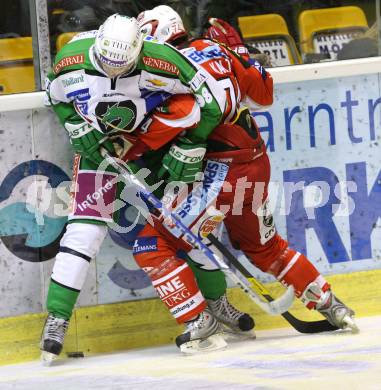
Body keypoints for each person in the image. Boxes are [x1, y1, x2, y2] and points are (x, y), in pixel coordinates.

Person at [132, 4, 358, 348]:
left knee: (151, 244)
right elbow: (264, 95)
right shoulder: (218, 49)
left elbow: (166, 129)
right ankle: (332, 305)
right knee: (266, 249)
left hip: (220, 175)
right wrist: (241, 53)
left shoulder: (165, 72)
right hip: (254, 164)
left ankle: (200, 322)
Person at [41, 13, 253, 363]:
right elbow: (54, 93)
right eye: (106, 64)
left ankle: (217, 304)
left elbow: (211, 101)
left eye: (121, 67)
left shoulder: (162, 58)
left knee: (189, 225)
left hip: (154, 149)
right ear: (97, 48)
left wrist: (193, 142)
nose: (112, 72)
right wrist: (75, 125)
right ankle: (57, 319)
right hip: (99, 154)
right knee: (83, 234)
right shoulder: (72, 59)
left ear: (138, 52)